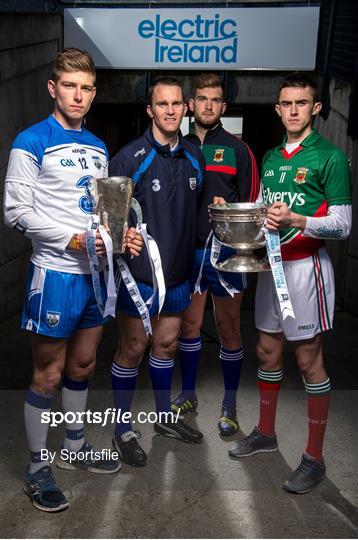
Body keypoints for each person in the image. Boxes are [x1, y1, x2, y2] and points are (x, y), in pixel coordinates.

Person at [3, 48, 142, 512]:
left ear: (93, 93)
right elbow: (15, 212)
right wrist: (75, 241)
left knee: (83, 367)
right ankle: (38, 467)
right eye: (69, 86)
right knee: (47, 375)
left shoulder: (99, 148)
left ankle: (75, 447)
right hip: (56, 274)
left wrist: (122, 237)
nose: (78, 96)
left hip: (96, 279)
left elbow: (104, 216)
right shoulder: (31, 140)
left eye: (86, 88)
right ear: (53, 89)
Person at [228, 72, 352, 494]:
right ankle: (266, 433)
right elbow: (266, 214)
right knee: (266, 351)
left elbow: (343, 224)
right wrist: (242, 220)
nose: (294, 110)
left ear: (315, 108)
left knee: (308, 361)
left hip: (306, 269)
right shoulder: (273, 157)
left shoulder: (330, 157)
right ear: (278, 108)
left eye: (302, 103)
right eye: (287, 104)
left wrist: (301, 220)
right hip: (272, 267)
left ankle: (314, 459)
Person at [109, 77, 206, 467]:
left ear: (186, 108)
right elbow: (109, 226)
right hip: (140, 279)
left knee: (166, 346)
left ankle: (165, 418)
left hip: (179, 277)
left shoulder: (194, 157)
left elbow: (196, 215)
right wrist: (122, 237)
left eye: (176, 104)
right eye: (161, 104)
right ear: (149, 110)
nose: (170, 110)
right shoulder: (128, 159)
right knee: (133, 349)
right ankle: (121, 428)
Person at [170, 73, 260, 437]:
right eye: (202, 98)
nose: (208, 105)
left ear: (224, 106)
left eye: (215, 100)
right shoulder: (178, 146)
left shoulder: (239, 149)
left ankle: (229, 405)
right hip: (188, 252)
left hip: (225, 253)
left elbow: (254, 208)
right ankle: (188, 394)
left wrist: (231, 206)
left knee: (228, 328)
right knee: (189, 327)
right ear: (191, 104)